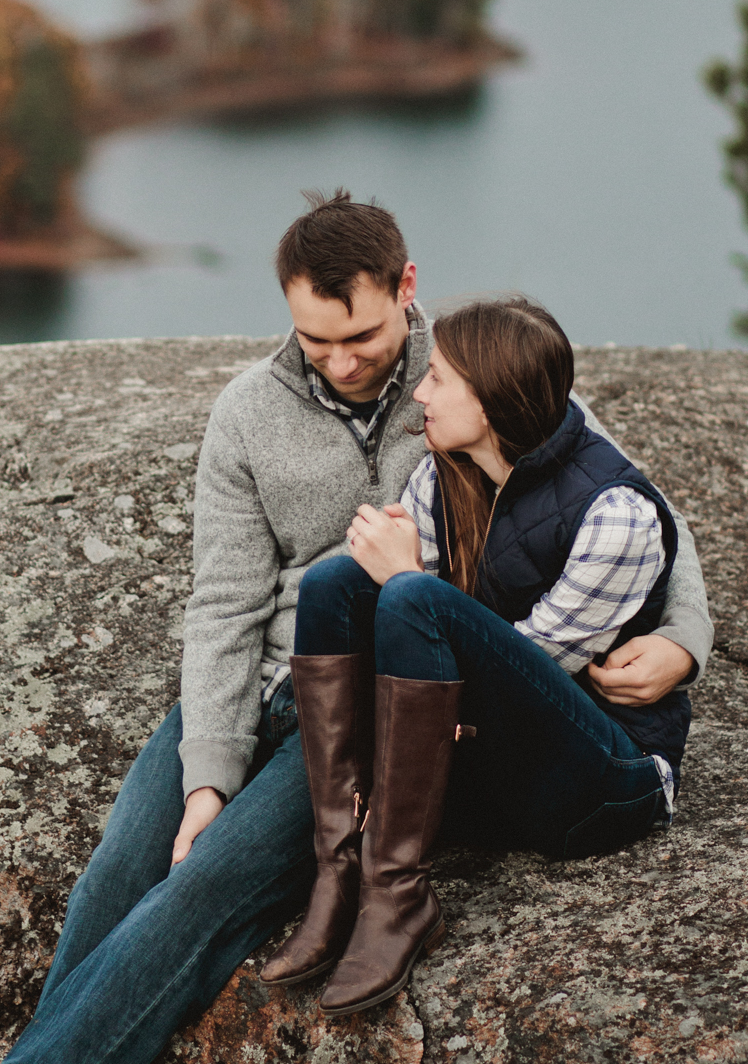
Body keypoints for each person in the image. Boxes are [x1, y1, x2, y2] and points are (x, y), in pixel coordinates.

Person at [0, 192, 712, 1064]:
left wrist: (682, 639)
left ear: (406, 287)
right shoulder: (245, 415)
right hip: (258, 676)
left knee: (207, 892)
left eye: (363, 335)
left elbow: (638, 509)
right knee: (117, 871)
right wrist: (205, 772)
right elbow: (218, 603)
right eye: (317, 339)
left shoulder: (469, 374)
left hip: (366, 697)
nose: (345, 362)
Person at [262, 293, 689, 1017]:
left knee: (410, 597)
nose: (418, 394)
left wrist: (405, 579)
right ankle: (340, 873)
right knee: (336, 579)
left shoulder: (616, 516)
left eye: (438, 381)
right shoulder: (444, 472)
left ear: (488, 402)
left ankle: (397, 897)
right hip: (496, 766)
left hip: (599, 784)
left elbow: (522, 670)